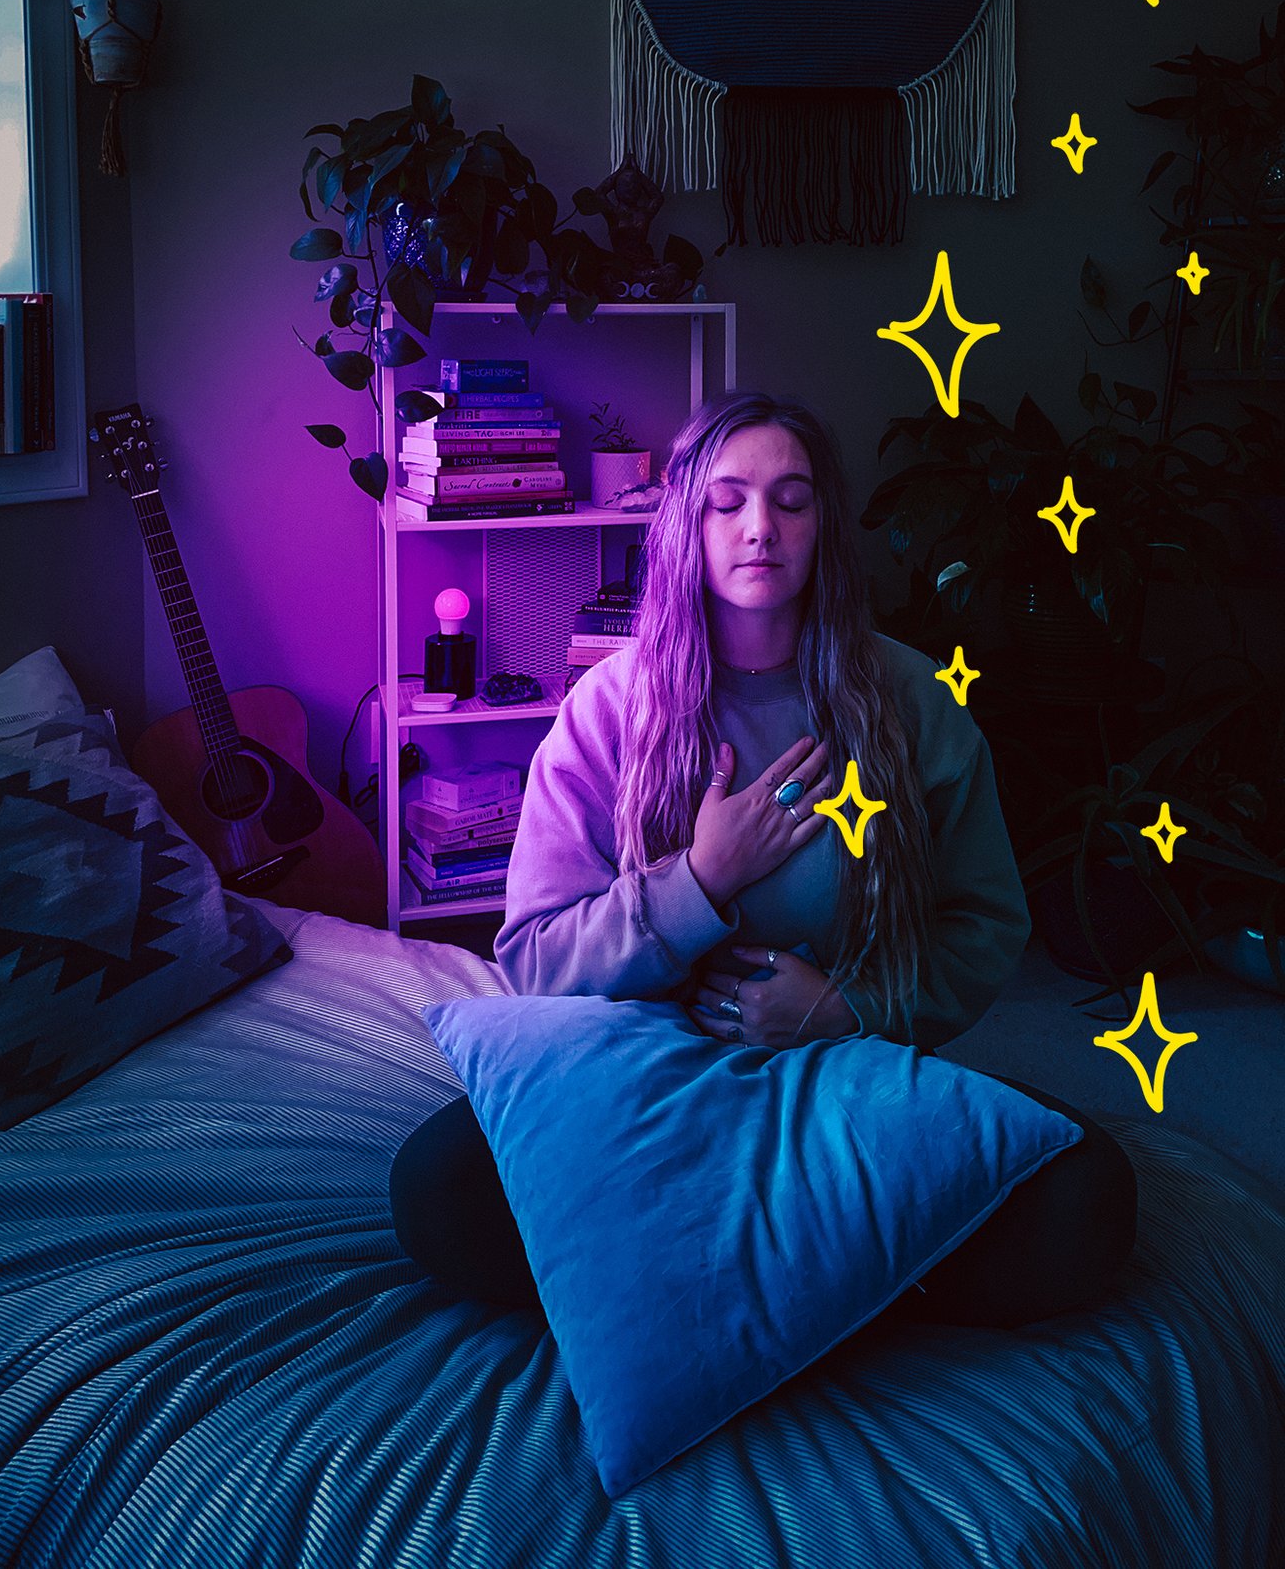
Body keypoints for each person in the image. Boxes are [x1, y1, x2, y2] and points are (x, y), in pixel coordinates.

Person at [391, 392, 1138, 1323]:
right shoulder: (609, 708)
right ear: (688, 523)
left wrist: (846, 1009)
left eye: (791, 500)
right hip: (648, 1081)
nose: (760, 529)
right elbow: (536, 960)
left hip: (844, 1072)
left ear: (823, 524)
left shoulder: (912, 701)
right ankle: (825, 1266)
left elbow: (985, 924)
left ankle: (724, 1269)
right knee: (441, 1191)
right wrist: (698, 881)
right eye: (727, 502)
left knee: (1085, 1202)